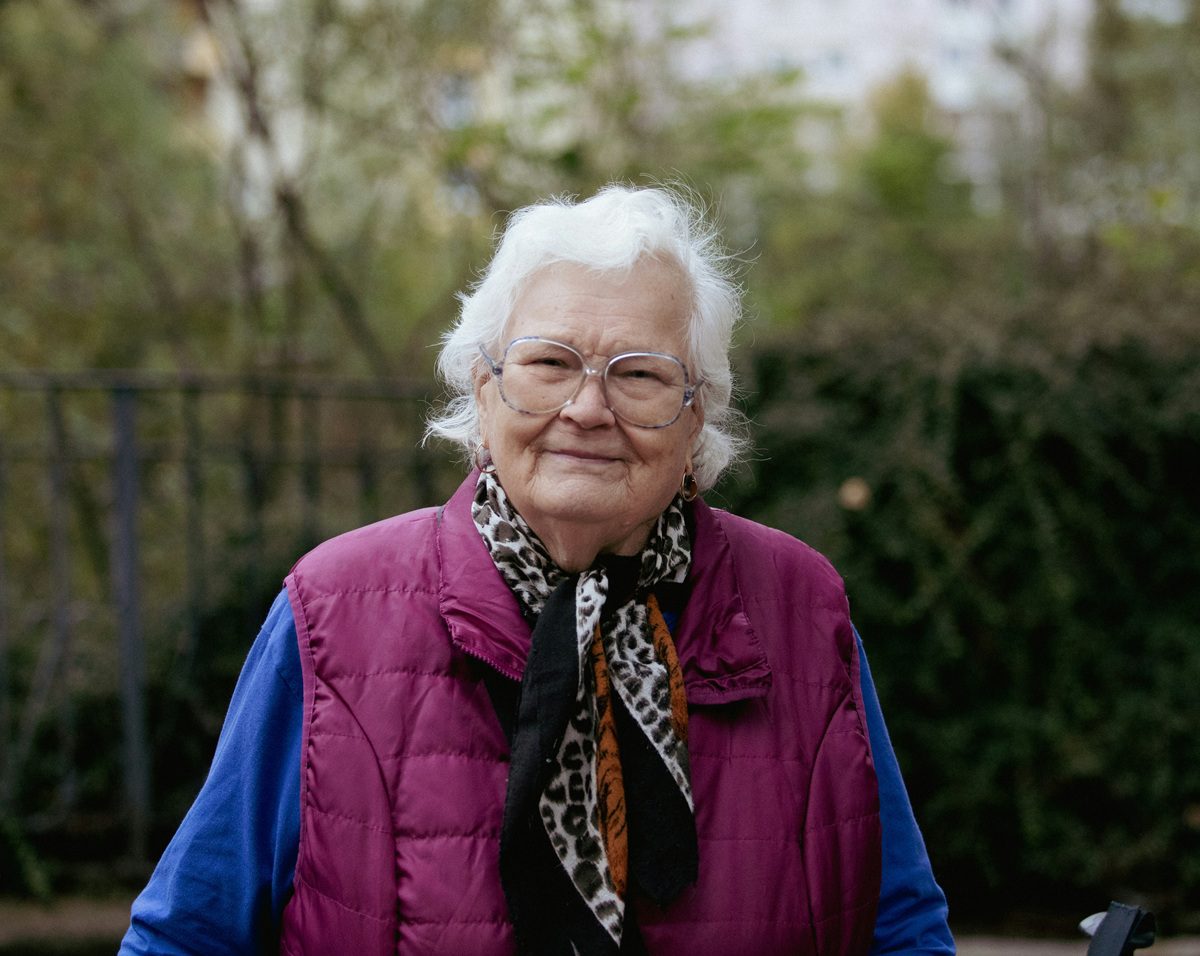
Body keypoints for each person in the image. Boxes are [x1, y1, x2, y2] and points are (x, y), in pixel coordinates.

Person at [120, 185, 954, 955]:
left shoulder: (801, 609)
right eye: (548, 364)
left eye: (639, 374)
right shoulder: (333, 612)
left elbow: (902, 929)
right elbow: (187, 936)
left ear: (698, 415)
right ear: (482, 388)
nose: (587, 409)